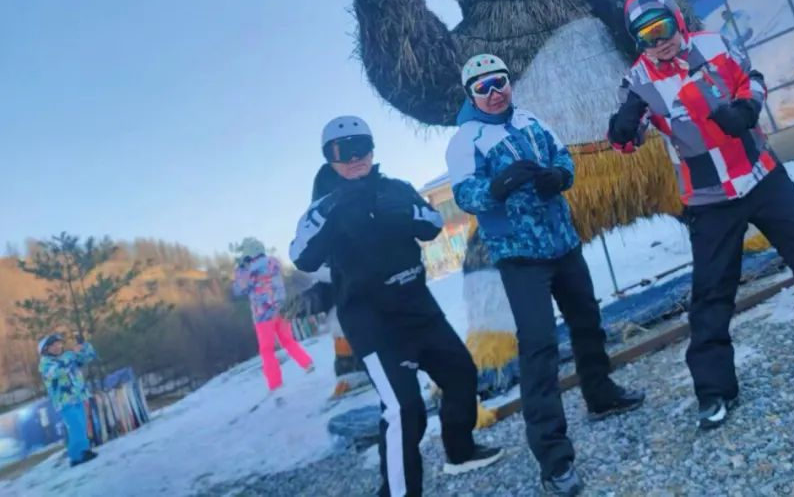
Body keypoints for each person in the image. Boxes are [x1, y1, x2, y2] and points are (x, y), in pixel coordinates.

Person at [606, 0, 794, 431]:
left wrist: (749, 106)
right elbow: (626, 140)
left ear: (678, 20)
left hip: (760, 172)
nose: (658, 41)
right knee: (712, 292)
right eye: (646, 36)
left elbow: (750, 77)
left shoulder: (714, 44)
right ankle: (713, 389)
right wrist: (622, 129)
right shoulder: (637, 81)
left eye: (663, 28)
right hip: (709, 196)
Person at [447, 54, 645, 497]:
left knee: (588, 322)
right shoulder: (465, 140)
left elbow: (563, 158)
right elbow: (465, 195)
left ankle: (601, 395)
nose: (494, 93)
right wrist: (497, 187)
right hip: (520, 256)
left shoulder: (531, 118)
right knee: (539, 349)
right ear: (470, 95)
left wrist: (559, 176)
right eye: (483, 88)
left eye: (499, 82)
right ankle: (554, 459)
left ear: (509, 83)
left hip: (562, 242)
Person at [290, 116, 502, 497]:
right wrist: (330, 214)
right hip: (372, 324)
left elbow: (432, 223)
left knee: (461, 374)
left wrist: (406, 212)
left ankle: (460, 451)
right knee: (404, 409)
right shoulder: (323, 208)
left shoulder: (397, 189)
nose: (354, 158)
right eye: (342, 151)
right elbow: (301, 256)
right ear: (329, 157)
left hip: (419, 308)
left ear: (372, 149)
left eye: (361, 148)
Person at [232, 240, 315, 396]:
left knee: (267, 349)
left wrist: (241, 270)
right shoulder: (273, 263)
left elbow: (239, 290)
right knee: (288, 340)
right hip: (281, 308)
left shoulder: (249, 270)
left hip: (263, 313)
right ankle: (307, 363)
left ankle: (275, 383)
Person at [38, 333, 98, 468]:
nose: (57, 347)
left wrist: (84, 346)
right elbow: (58, 371)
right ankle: (77, 455)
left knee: (82, 424)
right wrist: (72, 356)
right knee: (75, 426)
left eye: (58, 344)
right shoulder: (45, 364)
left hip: (79, 396)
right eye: (53, 345)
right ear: (45, 349)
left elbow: (87, 357)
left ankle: (83, 451)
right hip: (65, 401)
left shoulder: (67, 356)